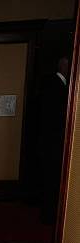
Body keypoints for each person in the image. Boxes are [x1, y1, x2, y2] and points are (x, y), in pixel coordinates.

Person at [37, 55, 69, 224]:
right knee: (51, 181)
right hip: (52, 144)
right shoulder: (55, 86)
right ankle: (49, 216)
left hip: (50, 143)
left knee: (51, 181)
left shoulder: (55, 85)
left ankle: (49, 214)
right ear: (63, 66)